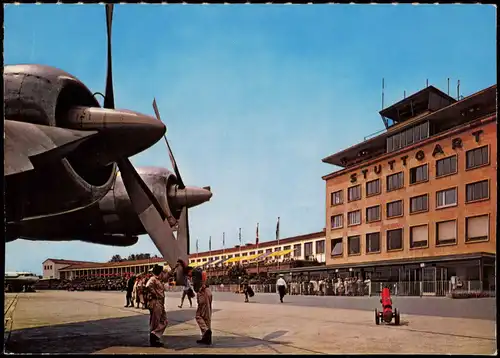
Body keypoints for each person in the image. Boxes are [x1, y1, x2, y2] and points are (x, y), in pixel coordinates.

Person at [145, 265, 168, 347]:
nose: (163, 273)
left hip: (160, 302)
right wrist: (154, 293)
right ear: (159, 272)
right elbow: (148, 286)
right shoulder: (153, 279)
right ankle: (154, 339)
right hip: (156, 302)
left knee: (164, 321)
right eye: (162, 272)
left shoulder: (159, 279)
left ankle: (155, 334)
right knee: (155, 322)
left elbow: (167, 276)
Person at [192, 267, 213, 345]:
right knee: (206, 317)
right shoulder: (203, 273)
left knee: (199, 315)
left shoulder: (196, 274)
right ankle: (207, 339)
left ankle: (206, 331)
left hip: (203, 293)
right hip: (208, 292)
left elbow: (197, 286)